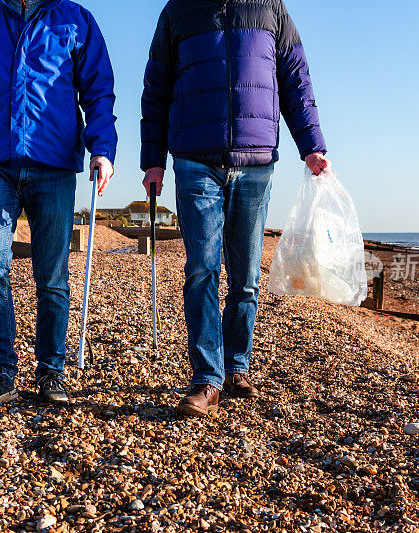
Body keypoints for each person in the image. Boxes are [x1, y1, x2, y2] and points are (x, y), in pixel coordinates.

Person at [140, 0, 330, 417]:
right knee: (202, 270)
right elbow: (156, 88)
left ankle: (236, 365)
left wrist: (311, 145)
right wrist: (152, 158)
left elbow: (295, 78)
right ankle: (208, 378)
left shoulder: (270, 7)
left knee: (244, 277)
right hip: (194, 160)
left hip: (256, 161)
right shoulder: (178, 11)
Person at [0, 0, 117, 408]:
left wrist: (102, 149)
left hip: (54, 164)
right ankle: (1, 370)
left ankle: (52, 372)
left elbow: (99, 92)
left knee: (52, 277)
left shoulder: (77, 19)